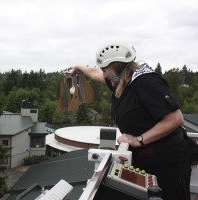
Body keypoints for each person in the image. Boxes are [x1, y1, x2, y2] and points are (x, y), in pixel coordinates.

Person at [67, 41, 191, 200]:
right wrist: (79, 68)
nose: (103, 75)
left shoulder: (146, 81)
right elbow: (96, 73)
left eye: (105, 70)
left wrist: (138, 140)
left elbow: (175, 118)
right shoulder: (123, 80)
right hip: (148, 159)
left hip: (167, 162)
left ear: (114, 68)